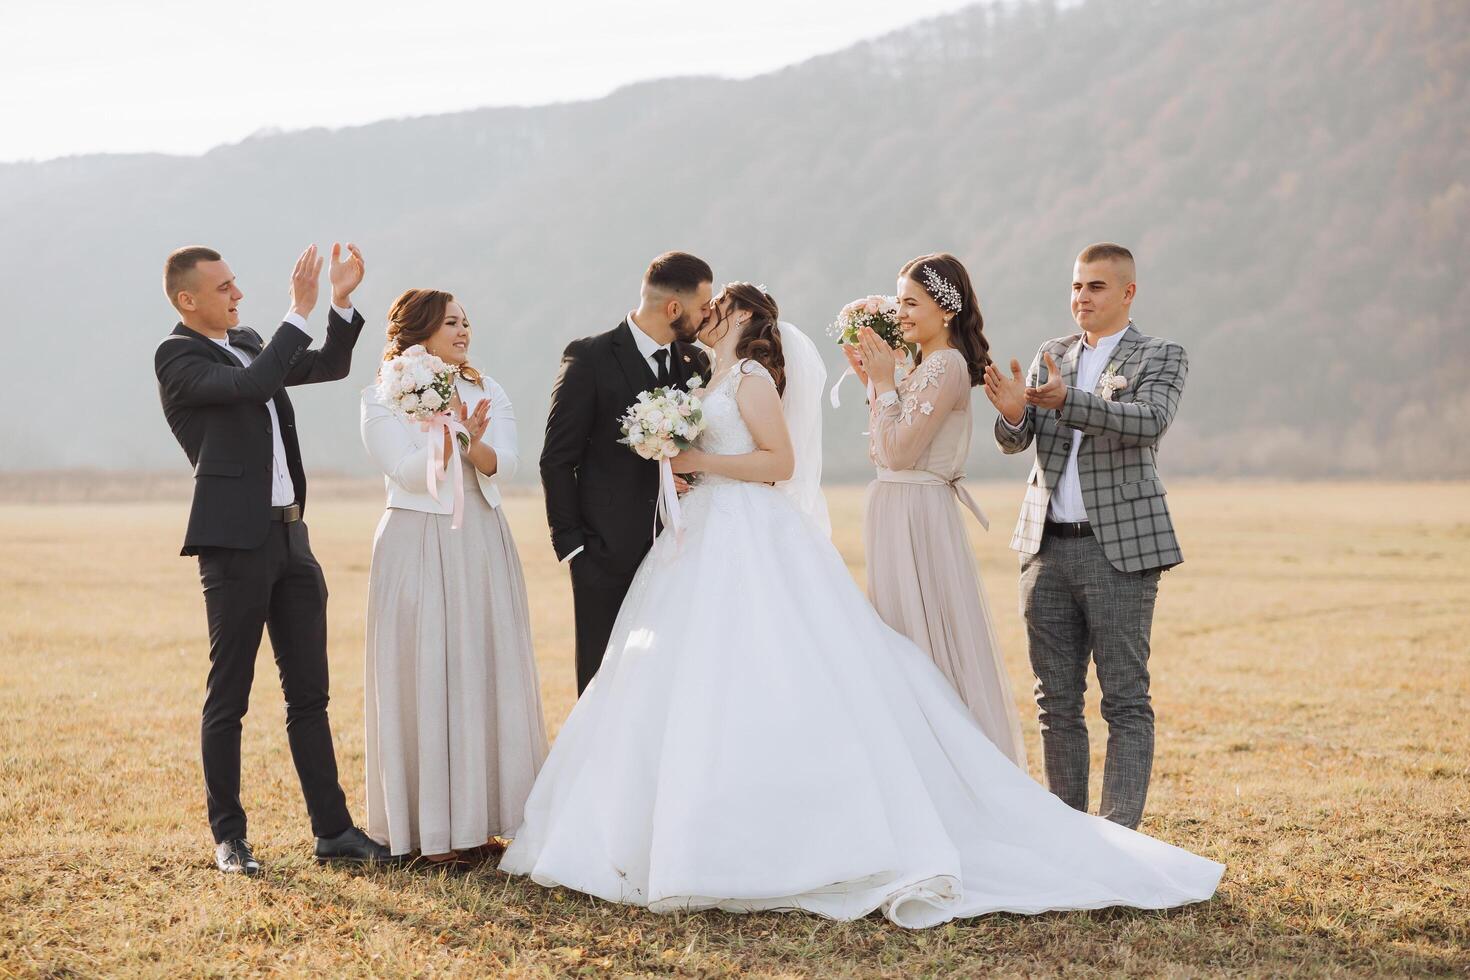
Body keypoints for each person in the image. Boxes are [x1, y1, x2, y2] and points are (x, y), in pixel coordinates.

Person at [499, 283, 1221, 928]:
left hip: (749, 533)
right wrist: (681, 464)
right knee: (697, 683)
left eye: (719, 310)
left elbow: (777, 466)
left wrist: (698, 462)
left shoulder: (749, 376)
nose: (708, 319)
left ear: (744, 317)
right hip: (705, 536)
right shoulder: (707, 376)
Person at [154, 243, 391, 875]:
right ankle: (229, 838)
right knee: (228, 696)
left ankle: (334, 831)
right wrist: (300, 308)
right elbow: (252, 385)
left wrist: (338, 304)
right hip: (234, 544)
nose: (238, 296)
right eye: (226, 287)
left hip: (293, 540)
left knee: (310, 694)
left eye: (236, 283)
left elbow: (330, 368)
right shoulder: (177, 357)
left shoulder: (256, 339)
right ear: (189, 299)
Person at [984, 242, 1188, 830]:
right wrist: (1014, 412)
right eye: (1076, 286)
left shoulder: (1161, 355)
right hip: (1045, 547)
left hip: (1119, 549)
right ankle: (1066, 832)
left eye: (1095, 287)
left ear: (1127, 292)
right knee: (1055, 702)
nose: (1081, 297)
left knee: (1125, 698)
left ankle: (1118, 835)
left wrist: (1069, 402)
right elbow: (1014, 442)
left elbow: (1149, 422)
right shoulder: (1053, 354)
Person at [359, 289, 548, 863]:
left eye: (467, 321)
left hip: (481, 539)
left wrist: (474, 440)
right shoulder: (379, 397)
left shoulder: (488, 389)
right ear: (418, 330)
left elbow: (507, 465)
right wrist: (449, 436)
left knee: (483, 668)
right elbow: (408, 474)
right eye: (451, 323)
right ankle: (431, 834)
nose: (464, 331)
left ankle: (484, 822)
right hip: (415, 540)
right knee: (424, 673)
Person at [846, 253, 1025, 765]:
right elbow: (883, 448)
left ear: (945, 309)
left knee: (924, 636)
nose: (900, 312)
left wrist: (883, 384)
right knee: (902, 633)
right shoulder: (922, 365)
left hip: (917, 513)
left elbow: (899, 451)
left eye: (910, 301)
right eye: (898, 299)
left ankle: (952, 758)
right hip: (896, 508)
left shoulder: (946, 365)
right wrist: (875, 381)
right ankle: (920, 755)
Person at [539, 252, 712, 694]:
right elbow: (557, 458)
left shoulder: (696, 363)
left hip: (681, 551)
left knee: (671, 680)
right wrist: (574, 546)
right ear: (674, 308)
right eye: (703, 306)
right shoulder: (590, 357)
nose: (707, 315)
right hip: (605, 552)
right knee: (604, 681)